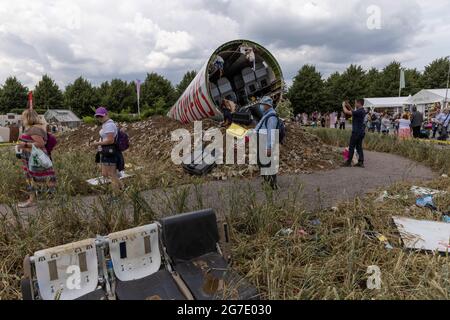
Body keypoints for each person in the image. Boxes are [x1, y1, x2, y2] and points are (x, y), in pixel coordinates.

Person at [17, 109, 57, 208]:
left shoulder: (34, 129)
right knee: (34, 178)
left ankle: (47, 199)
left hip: (35, 159)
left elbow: (41, 144)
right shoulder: (34, 128)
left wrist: (25, 144)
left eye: (23, 116)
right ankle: (35, 199)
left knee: (40, 178)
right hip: (31, 158)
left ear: (28, 117)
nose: (22, 118)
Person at [92, 107, 124, 193]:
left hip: (110, 152)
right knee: (106, 174)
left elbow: (110, 140)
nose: (99, 118)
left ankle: (117, 195)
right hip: (106, 152)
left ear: (106, 114)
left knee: (111, 175)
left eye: (101, 116)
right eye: (97, 116)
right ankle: (122, 189)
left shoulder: (109, 125)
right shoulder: (106, 124)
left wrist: (97, 143)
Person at [255, 96, 279, 190]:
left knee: (268, 163)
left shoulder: (272, 117)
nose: (261, 106)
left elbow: (271, 133)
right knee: (262, 162)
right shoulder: (266, 114)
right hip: (262, 141)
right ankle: (267, 181)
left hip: (266, 142)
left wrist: (269, 147)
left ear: (267, 105)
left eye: (262, 104)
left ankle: (272, 185)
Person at [342, 99, 366, 168]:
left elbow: (347, 112)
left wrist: (343, 105)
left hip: (356, 132)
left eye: (355, 103)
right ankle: (361, 162)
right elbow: (353, 111)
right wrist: (348, 105)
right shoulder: (362, 111)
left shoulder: (359, 111)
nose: (355, 104)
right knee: (359, 147)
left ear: (359, 103)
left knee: (351, 147)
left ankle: (348, 162)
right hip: (361, 132)